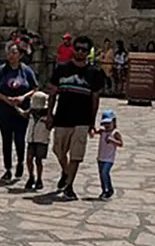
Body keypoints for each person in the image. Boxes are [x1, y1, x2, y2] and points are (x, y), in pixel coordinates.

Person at [47, 35, 103, 200]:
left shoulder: (94, 73)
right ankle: (65, 171)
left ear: (88, 52)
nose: (80, 52)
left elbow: (95, 98)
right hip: (62, 116)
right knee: (58, 149)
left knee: (76, 155)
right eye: (77, 48)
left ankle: (69, 185)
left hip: (82, 119)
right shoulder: (62, 69)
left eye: (84, 50)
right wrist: (50, 114)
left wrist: (92, 122)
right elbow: (52, 93)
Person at [0, 42, 38, 180]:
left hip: (21, 110)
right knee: (6, 139)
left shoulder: (26, 71)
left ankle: (20, 162)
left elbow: (35, 88)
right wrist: (5, 99)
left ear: (20, 55)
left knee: (19, 138)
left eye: (14, 53)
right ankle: (7, 168)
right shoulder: (1, 70)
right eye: (9, 52)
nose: (11, 56)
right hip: (4, 109)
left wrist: (23, 97)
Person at [22, 91, 51, 190]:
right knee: (29, 158)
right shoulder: (30, 113)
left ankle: (39, 178)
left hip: (42, 140)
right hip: (31, 139)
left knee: (38, 160)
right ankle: (31, 176)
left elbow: (51, 125)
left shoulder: (48, 116)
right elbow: (23, 114)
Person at [92, 110, 123, 200]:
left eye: (109, 123)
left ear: (114, 122)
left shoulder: (115, 133)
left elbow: (121, 143)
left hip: (109, 158)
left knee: (105, 172)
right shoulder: (103, 131)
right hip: (101, 157)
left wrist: (112, 140)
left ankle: (107, 190)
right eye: (105, 124)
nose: (107, 126)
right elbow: (95, 132)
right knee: (102, 174)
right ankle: (105, 189)